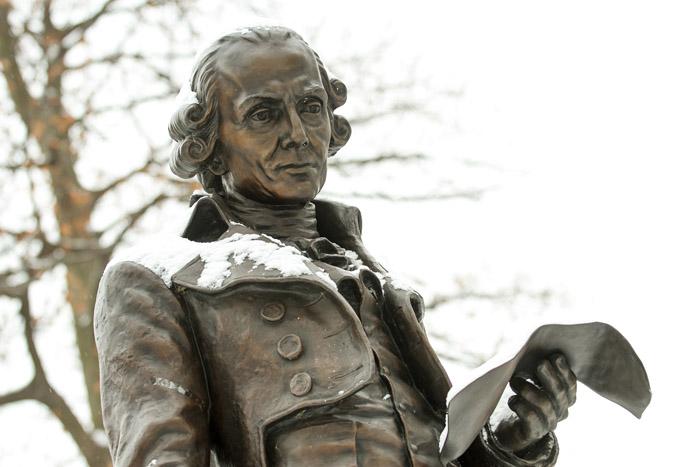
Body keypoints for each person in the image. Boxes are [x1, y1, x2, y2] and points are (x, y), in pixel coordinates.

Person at [94, 26, 577, 467]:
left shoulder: (374, 279)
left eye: (310, 107)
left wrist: (511, 441)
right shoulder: (162, 280)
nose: (298, 136)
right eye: (263, 115)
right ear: (211, 141)